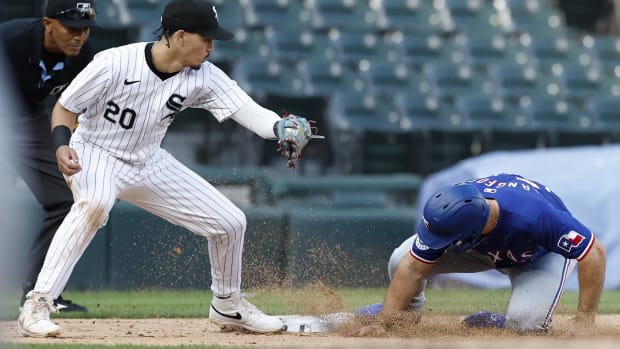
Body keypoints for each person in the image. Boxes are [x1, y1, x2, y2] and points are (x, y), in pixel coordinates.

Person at [17, 0, 320, 338]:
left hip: (148, 159)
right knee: (95, 204)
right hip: (94, 152)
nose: (211, 46)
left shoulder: (204, 75)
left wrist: (279, 127)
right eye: (205, 38)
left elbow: (247, 111)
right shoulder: (115, 63)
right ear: (178, 36)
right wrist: (61, 144)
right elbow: (65, 108)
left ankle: (227, 305)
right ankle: (38, 302)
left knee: (230, 222)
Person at [358, 173, 606, 334]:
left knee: (526, 324)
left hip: (537, 256)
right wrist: (385, 322)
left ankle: (498, 321)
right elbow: (412, 267)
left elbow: (593, 252)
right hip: (481, 248)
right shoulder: (452, 207)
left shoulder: (535, 216)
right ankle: (406, 317)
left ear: (474, 229)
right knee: (401, 259)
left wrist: (585, 319)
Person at [0, 0, 100, 313]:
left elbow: (85, 106)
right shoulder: (10, 39)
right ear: (47, 24)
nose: (79, 36)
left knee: (67, 200)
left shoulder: (84, 55)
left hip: (27, 122)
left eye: (84, 28)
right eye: (71, 27)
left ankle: (40, 295)